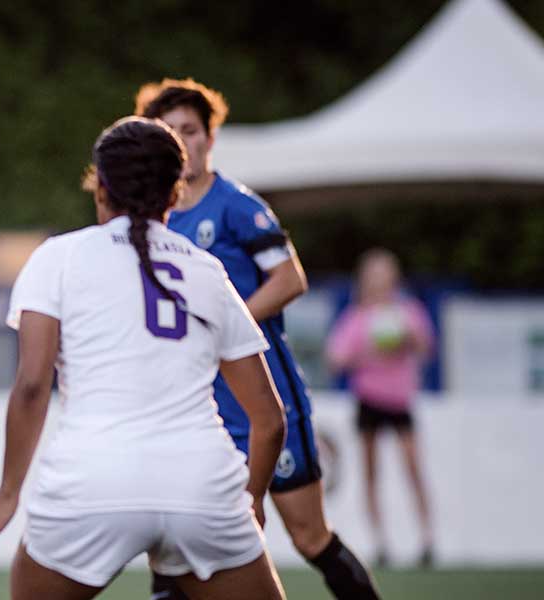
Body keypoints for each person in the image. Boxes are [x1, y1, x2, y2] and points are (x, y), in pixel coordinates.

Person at [0, 116, 288, 600]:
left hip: (92, 481)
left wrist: (8, 494)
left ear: (100, 189)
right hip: (199, 483)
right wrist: (249, 504)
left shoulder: (58, 257)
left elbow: (33, 384)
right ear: (175, 193)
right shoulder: (208, 270)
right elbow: (270, 420)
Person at [137, 78, 381, 599]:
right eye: (170, 132)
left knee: (309, 536)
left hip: (264, 398)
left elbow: (290, 278)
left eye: (191, 131)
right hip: (195, 407)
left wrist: (225, 325)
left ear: (210, 138)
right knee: (175, 541)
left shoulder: (236, 206)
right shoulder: (151, 219)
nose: (182, 143)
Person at [326, 248, 435, 568]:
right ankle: (380, 541)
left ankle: (427, 537)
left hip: (400, 400)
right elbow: (336, 359)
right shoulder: (357, 317)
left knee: (413, 469)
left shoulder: (407, 311)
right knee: (371, 473)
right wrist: (366, 353)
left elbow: (427, 347)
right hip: (369, 400)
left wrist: (407, 340)